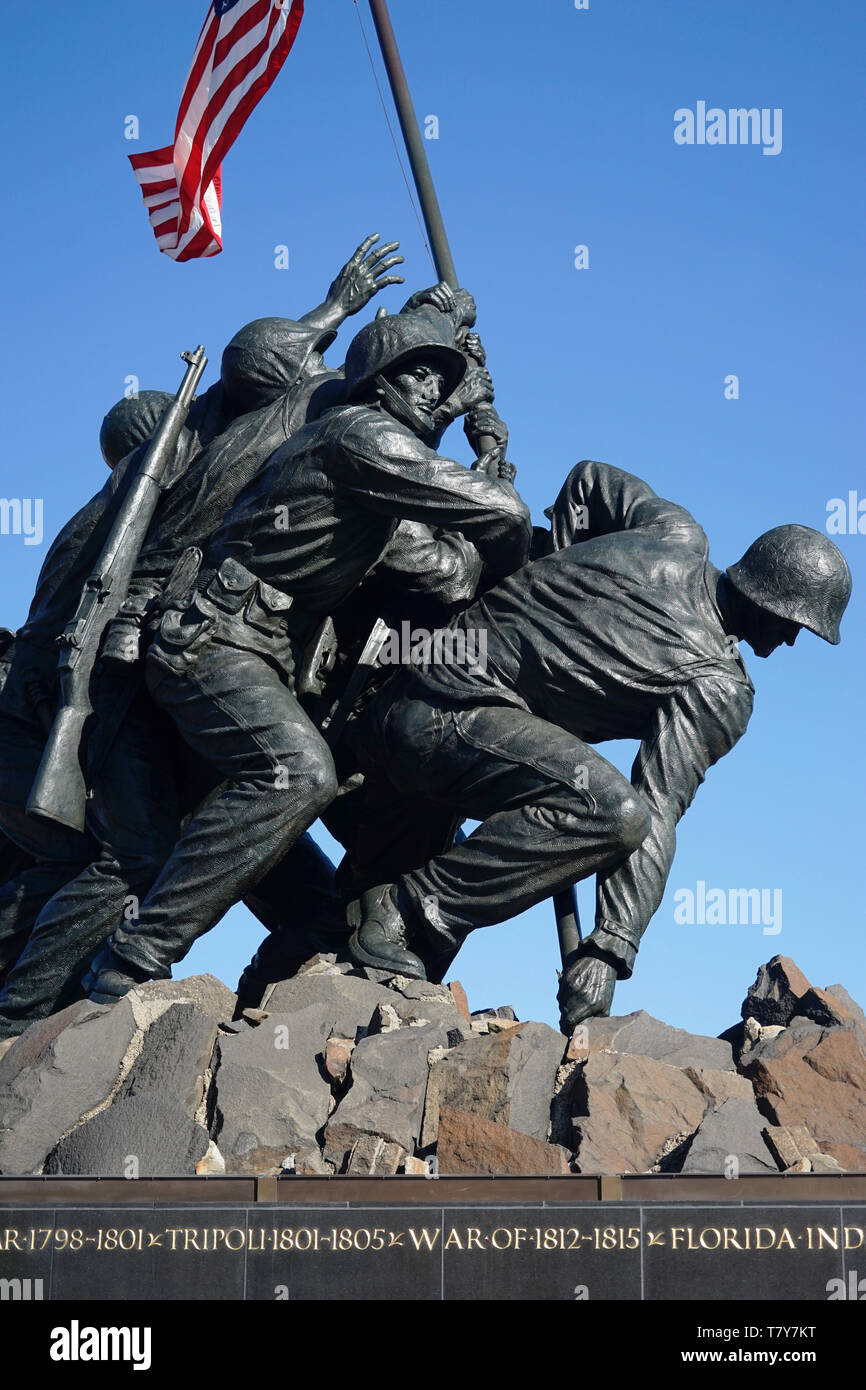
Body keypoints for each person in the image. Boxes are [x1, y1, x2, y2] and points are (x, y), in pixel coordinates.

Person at [82, 308, 532, 1005]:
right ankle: (131, 958)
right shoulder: (360, 436)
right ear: (374, 384)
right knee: (297, 774)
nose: (428, 387)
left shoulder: (374, 456)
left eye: (437, 377)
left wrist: (481, 459)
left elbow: (444, 564)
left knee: (339, 860)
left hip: (264, 659)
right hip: (216, 640)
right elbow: (500, 519)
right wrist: (503, 540)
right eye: (412, 372)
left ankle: (281, 994)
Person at [339, 460, 852, 1030]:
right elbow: (653, 808)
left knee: (360, 943)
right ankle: (409, 905)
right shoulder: (718, 684)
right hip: (445, 728)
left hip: (412, 699)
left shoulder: (676, 532)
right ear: (771, 601)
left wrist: (553, 566)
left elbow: (588, 480)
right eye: (793, 625)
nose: (787, 642)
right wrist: (611, 946)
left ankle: (339, 958)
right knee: (609, 812)